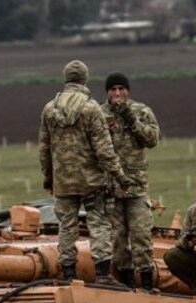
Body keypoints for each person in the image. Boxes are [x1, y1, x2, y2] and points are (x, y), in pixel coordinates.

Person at [39, 60, 133, 285]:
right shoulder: (91, 108)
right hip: (91, 180)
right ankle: (102, 274)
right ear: (84, 79)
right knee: (99, 223)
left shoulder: (50, 108)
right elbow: (104, 150)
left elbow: (44, 148)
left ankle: (68, 274)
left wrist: (49, 178)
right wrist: (120, 176)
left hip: (63, 181)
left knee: (66, 226)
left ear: (66, 78)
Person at [100, 72, 161, 290]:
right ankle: (125, 283)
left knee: (141, 235)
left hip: (136, 185)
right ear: (107, 92)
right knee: (117, 238)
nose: (117, 93)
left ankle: (146, 282)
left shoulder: (141, 111)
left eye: (121, 89)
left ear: (128, 90)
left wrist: (130, 118)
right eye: (113, 89)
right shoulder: (98, 113)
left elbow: (152, 139)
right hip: (110, 187)